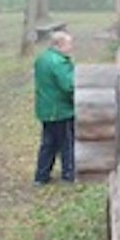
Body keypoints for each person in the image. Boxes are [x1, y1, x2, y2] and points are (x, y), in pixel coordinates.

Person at [33, 31, 75, 185]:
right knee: (66, 143)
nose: (71, 47)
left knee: (48, 143)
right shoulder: (59, 62)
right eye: (69, 44)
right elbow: (68, 85)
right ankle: (68, 174)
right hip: (60, 110)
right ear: (59, 45)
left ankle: (41, 176)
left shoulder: (42, 59)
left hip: (45, 109)